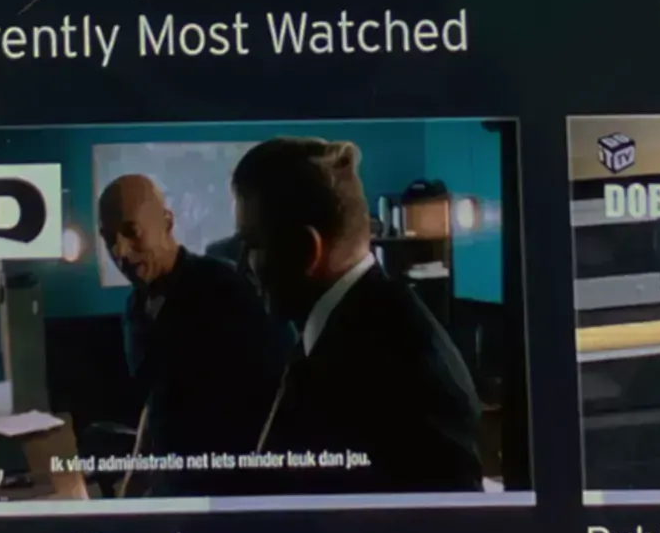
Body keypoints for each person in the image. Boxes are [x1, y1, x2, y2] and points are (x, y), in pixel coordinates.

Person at [234, 133, 494, 488]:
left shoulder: (405, 372)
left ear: (307, 250)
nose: (242, 266)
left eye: (252, 245)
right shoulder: (333, 328)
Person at [92, 166, 288, 464]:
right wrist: (136, 477)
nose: (120, 252)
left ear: (167, 222)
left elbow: (274, 396)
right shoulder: (135, 306)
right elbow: (156, 401)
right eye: (109, 238)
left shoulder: (224, 288)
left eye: (132, 232)